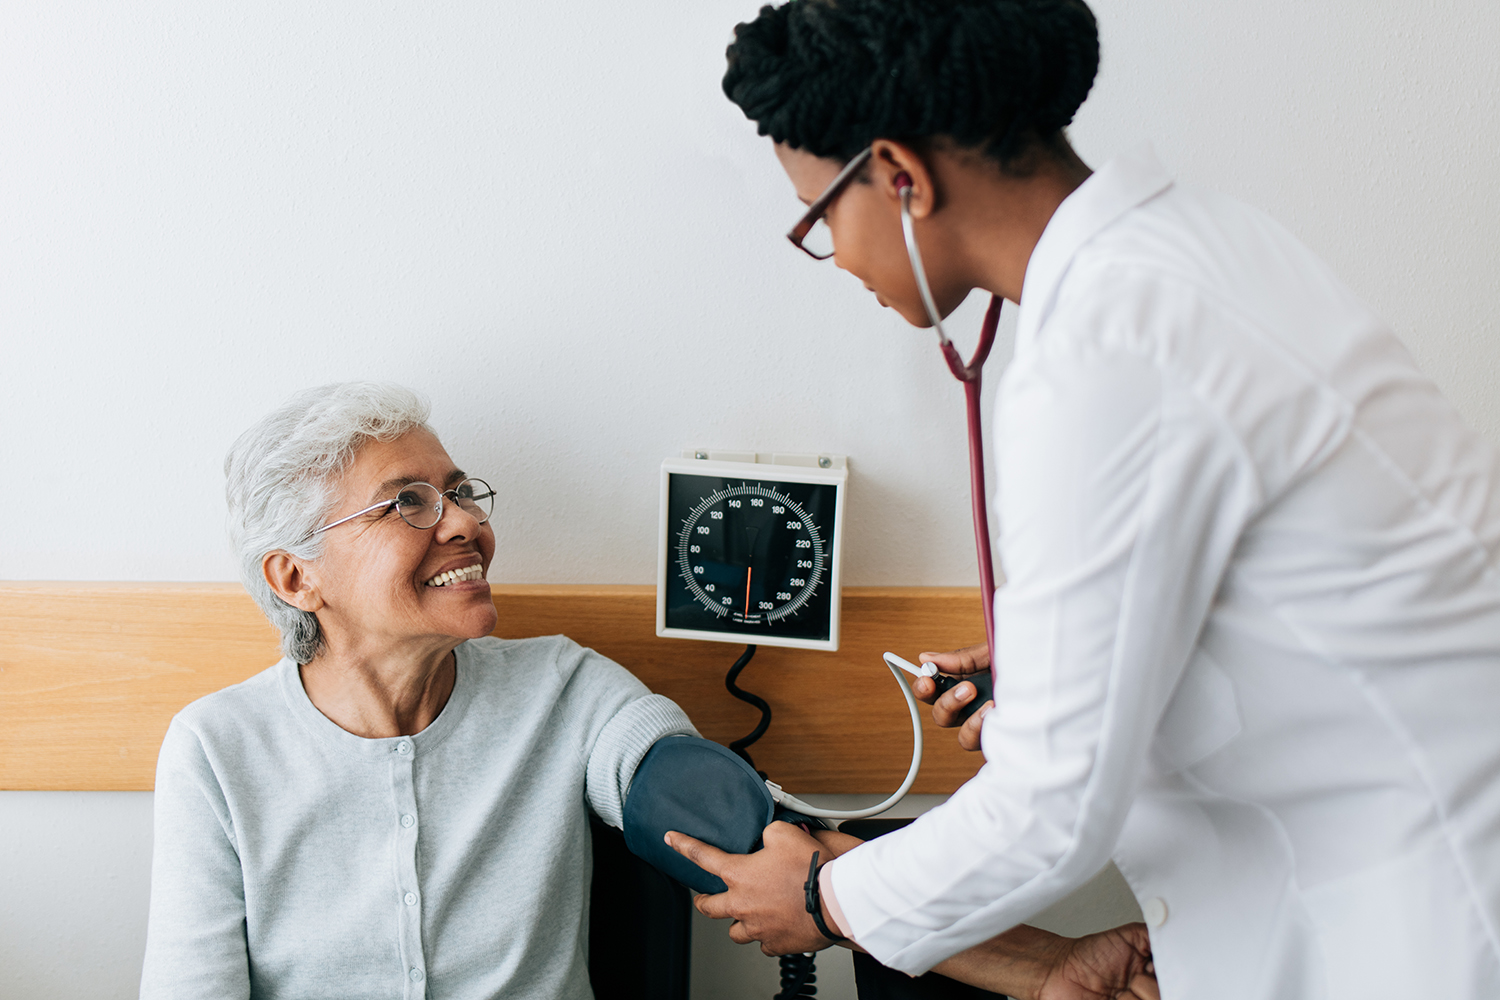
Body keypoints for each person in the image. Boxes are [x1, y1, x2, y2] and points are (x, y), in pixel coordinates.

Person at [665, 1, 1500, 998]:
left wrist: (825, 896)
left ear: (900, 176)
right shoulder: (1202, 247)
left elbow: (1051, 813)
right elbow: (1299, 608)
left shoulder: (1108, 354)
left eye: (819, 220)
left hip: (1421, 927)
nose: (837, 258)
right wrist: (1067, 666)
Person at [138, 382, 700, 999]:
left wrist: (811, 873)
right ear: (297, 578)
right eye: (408, 503)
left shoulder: (563, 688)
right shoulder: (217, 748)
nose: (464, 522)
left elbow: (686, 784)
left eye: (459, 493)